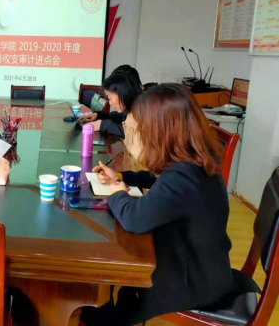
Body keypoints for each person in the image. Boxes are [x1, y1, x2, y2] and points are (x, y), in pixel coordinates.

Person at [82, 84, 258, 325]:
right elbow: (158, 181)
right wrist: (122, 177)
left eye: (145, 126)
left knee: (115, 286)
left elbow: (134, 218)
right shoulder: (196, 160)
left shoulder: (183, 176)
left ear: (162, 129)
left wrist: (117, 192)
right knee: (118, 281)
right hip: (204, 266)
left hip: (192, 280)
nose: (142, 131)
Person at [78, 72, 142, 137]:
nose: (110, 103)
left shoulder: (141, 111)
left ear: (121, 93)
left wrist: (102, 125)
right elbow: (119, 116)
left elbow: (131, 133)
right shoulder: (131, 108)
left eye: (109, 98)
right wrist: (98, 115)